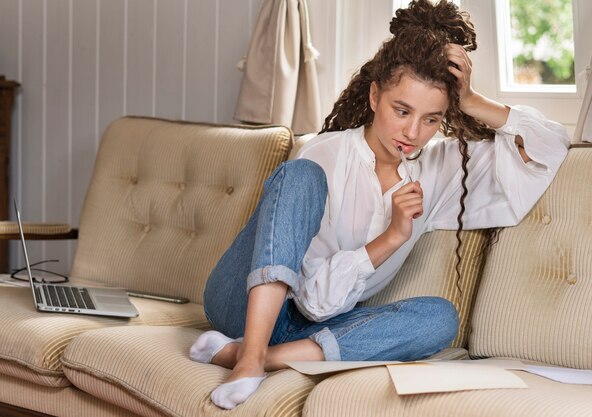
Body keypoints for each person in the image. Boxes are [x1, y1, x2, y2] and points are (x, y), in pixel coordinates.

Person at [189, 0, 570, 410]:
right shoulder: (325, 156)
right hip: (242, 303)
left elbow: (550, 145)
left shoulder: (441, 166)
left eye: (431, 118)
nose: (412, 132)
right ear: (374, 96)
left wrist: (472, 100)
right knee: (299, 177)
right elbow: (314, 301)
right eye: (401, 110)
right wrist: (389, 238)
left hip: (313, 325)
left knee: (439, 319)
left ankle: (260, 355)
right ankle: (248, 359)